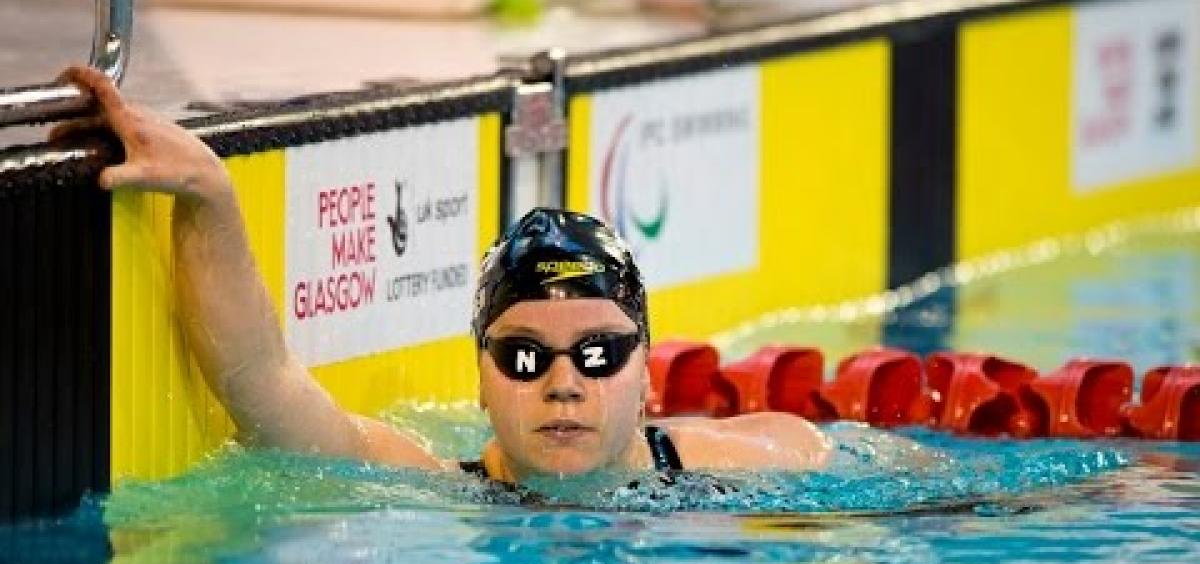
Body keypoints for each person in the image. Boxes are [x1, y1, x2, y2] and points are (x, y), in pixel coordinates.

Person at [56, 66, 833, 486]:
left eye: (598, 353)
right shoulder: (436, 489)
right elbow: (264, 382)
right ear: (482, 380)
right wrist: (212, 196)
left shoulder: (762, 461)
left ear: (647, 372)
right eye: (525, 357)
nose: (563, 384)